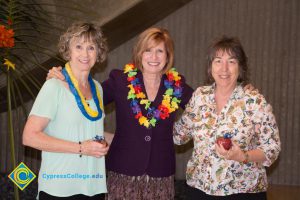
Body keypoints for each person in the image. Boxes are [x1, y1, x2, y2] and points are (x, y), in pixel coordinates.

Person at [47, 28, 256, 199]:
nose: (153, 57)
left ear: (167, 57)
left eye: (160, 51)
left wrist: (239, 90)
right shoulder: (120, 81)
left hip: (161, 176)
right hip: (122, 173)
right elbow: (87, 98)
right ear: (139, 54)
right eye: (148, 51)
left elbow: (208, 102)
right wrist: (65, 78)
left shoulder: (176, 86)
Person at [173, 36, 281, 200]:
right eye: (218, 61)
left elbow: (272, 148)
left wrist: (243, 156)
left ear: (240, 68)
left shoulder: (254, 101)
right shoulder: (200, 96)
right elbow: (179, 135)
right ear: (210, 67)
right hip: (200, 189)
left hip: (243, 191)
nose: (224, 69)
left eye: (231, 61)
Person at [23, 22, 109, 199]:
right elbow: (29, 136)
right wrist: (81, 148)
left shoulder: (98, 89)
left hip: (94, 186)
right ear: (68, 50)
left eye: (91, 47)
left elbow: (88, 130)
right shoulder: (54, 86)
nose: (85, 54)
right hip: (59, 187)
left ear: (98, 53)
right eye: (78, 46)